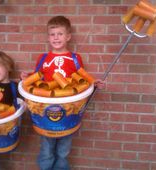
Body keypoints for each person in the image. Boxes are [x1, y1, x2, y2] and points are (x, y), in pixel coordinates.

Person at [21, 16, 105, 170]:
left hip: (68, 111)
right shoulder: (43, 58)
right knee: (46, 149)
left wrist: (93, 82)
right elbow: (37, 78)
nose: (56, 38)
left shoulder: (74, 58)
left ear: (68, 36)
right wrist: (27, 76)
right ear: (48, 37)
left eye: (60, 34)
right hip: (46, 111)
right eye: (52, 34)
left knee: (64, 150)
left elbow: (82, 78)